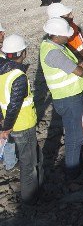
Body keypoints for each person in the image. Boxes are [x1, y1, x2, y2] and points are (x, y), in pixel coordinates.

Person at [39, 17, 83, 179]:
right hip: (69, 98)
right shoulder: (54, 52)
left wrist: (79, 65)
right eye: (66, 35)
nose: (69, 37)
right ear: (57, 35)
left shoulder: (52, 45)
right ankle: (73, 171)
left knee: (75, 133)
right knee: (75, 137)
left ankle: (75, 165)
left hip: (69, 97)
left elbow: (72, 65)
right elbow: (78, 72)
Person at [0, 34, 43, 204]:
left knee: (32, 158)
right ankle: (30, 199)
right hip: (22, 125)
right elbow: (14, 104)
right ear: (23, 52)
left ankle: (35, 190)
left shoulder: (2, 71)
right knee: (28, 163)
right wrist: (7, 127)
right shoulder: (18, 76)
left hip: (13, 124)